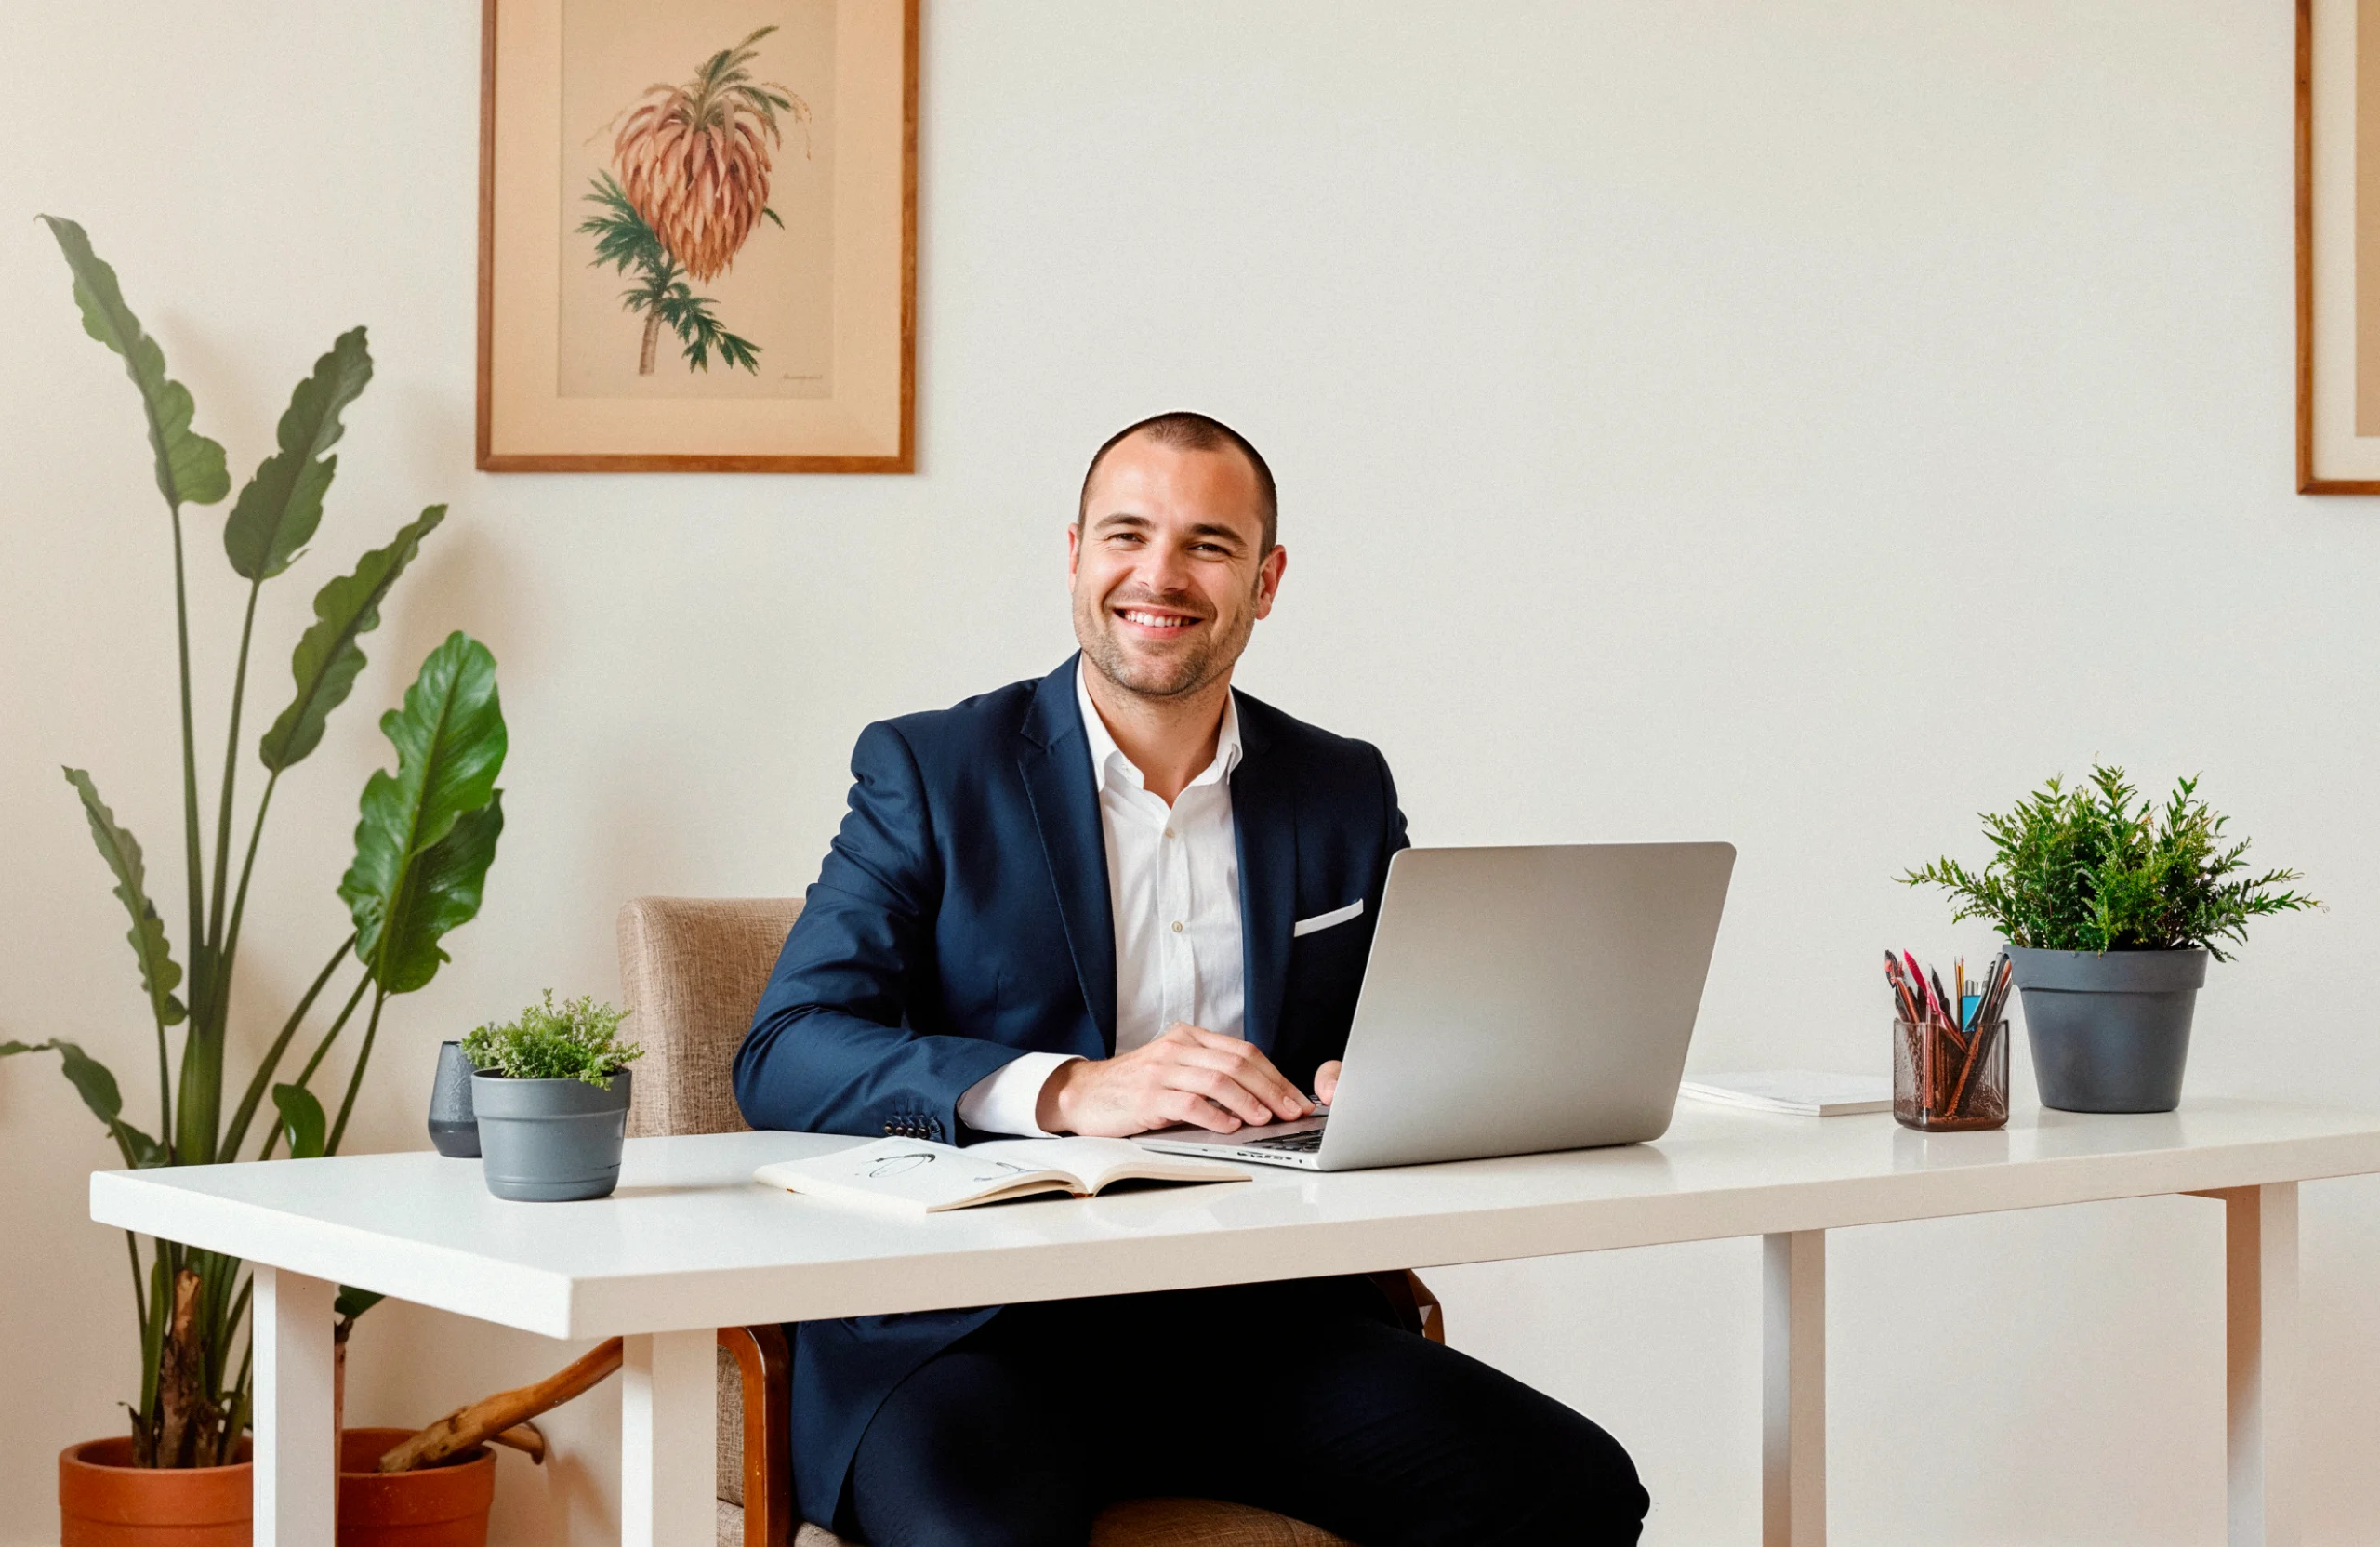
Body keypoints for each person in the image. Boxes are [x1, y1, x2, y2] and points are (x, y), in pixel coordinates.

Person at [734, 412, 1649, 1546]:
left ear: (1265, 582)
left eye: (1208, 545)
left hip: (1254, 1323)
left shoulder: (1341, 785)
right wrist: (1068, 1088)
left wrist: (1384, 1077)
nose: (1159, 575)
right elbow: (786, 1049)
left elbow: (1393, 1029)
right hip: (972, 1335)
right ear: (1075, 554)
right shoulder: (929, 768)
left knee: (1571, 1483)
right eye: (1128, 534)